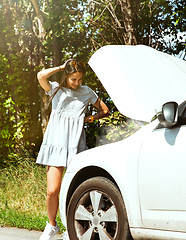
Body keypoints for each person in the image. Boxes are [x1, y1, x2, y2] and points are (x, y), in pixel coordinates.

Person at [37, 59, 110, 240]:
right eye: (73, 79)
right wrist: (62, 66)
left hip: (75, 145)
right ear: (66, 76)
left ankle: (71, 228)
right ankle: (52, 225)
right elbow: (40, 76)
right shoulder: (55, 89)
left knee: (73, 190)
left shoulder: (87, 92)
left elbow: (105, 110)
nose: (77, 83)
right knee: (52, 190)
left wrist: (87, 120)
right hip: (55, 143)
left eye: (80, 79)